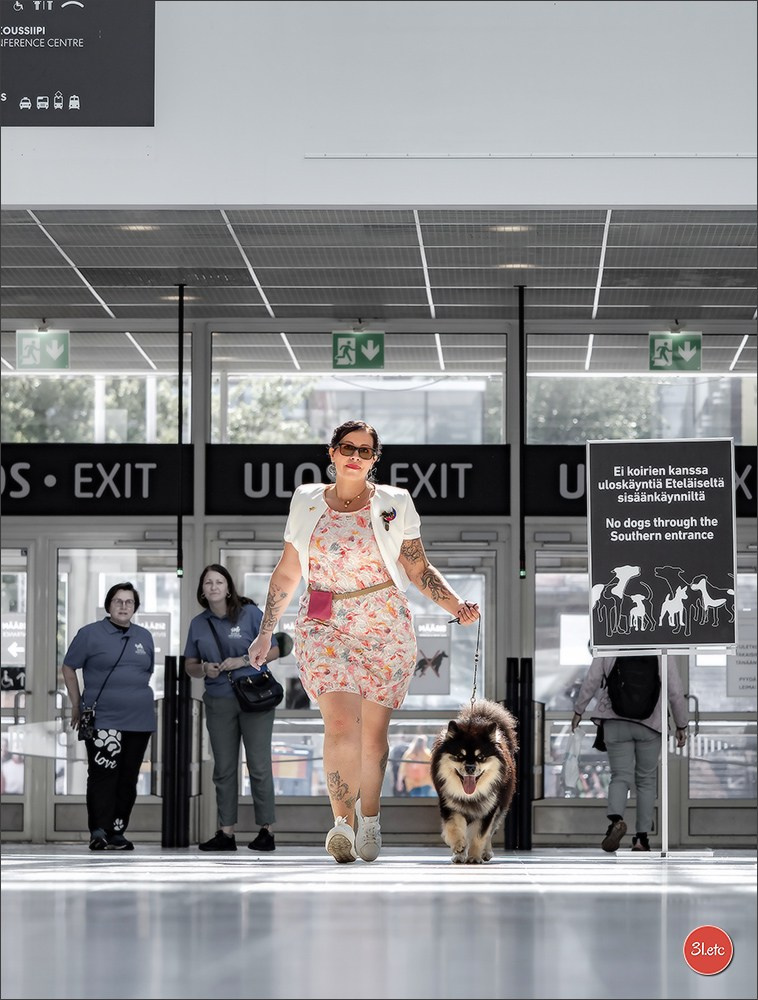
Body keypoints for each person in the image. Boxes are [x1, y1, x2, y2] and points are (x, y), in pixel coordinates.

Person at [247, 419, 480, 863]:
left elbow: (417, 568)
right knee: (338, 725)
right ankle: (341, 825)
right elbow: (288, 570)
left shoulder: (395, 502)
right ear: (331, 453)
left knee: (372, 737)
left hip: (383, 621)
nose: (356, 456)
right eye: (347, 447)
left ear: (375, 460)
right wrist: (264, 632)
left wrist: (455, 606)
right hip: (323, 620)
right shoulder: (306, 500)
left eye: (366, 451)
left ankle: (370, 817)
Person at [183, 564, 280, 853]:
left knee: (259, 766)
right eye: (208, 583)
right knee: (224, 769)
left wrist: (244, 660)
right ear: (202, 590)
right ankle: (226, 833)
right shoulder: (198, 624)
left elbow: (274, 649)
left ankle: (267, 831)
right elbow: (190, 665)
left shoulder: (250, 614)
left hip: (255, 699)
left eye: (219, 582)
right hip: (219, 700)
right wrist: (204, 668)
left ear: (228, 587)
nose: (214, 587)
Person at [62, 582, 156, 851]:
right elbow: (69, 667)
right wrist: (76, 704)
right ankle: (99, 830)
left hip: (139, 719)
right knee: (103, 773)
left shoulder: (144, 636)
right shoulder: (90, 634)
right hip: (103, 718)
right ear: (108, 605)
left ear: (135, 607)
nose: (124, 606)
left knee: (128, 776)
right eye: (118, 601)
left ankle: (117, 831)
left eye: (129, 602)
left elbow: (146, 671)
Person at [571, 654, 688, 853]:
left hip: (615, 720)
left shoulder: (611, 641)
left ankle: (616, 821)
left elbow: (592, 679)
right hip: (651, 723)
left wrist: (579, 711)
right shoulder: (661, 647)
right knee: (646, 780)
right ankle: (641, 839)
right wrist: (681, 724)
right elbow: (675, 690)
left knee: (620, 776)